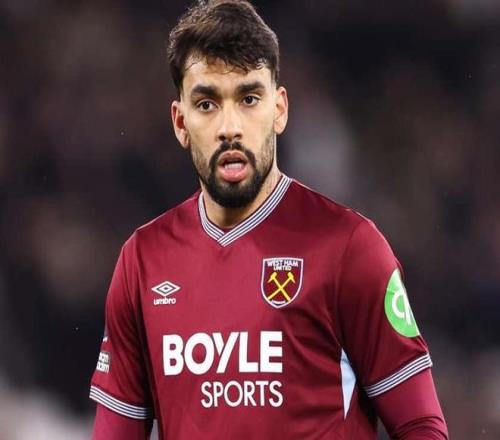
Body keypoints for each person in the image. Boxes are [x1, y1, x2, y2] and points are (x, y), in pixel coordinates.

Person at [89, 1, 449, 438]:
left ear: (279, 110)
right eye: (207, 103)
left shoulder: (350, 248)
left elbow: (421, 425)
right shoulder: (143, 262)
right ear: (181, 122)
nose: (230, 127)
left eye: (248, 99)